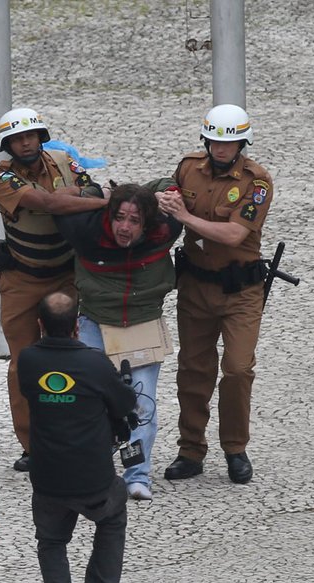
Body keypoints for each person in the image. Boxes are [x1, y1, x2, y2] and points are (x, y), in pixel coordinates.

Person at [156, 104, 274, 484]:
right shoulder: (189, 166)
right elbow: (170, 199)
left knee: (238, 369)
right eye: (215, 141)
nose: (220, 149)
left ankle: (235, 448)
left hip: (241, 291)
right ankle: (190, 449)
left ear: (242, 143)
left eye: (229, 142)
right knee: (193, 369)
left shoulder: (257, 182)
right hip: (195, 285)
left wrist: (185, 217)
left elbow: (235, 234)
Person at [0, 107, 107, 472]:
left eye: (30, 135)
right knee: (22, 362)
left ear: (41, 136)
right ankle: (32, 444)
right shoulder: (2, 175)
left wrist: (85, 193)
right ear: (7, 145)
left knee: (75, 357)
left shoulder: (61, 159)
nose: (25, 143)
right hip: (21, 280)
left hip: (65, 276)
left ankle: (77, 435)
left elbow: (92, 186)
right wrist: (106, 204)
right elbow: (51, 203)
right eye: (17, 139)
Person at [54, 182, 183, 500]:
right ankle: (90, 469)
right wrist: (96, 198)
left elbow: (173, 184)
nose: (125, 227)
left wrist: (165, 190)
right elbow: (58, 201)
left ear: (147, 223)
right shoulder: (84, 230)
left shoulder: (166, 228)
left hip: (143, 322)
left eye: (135, 220)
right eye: (120, 217)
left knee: (142, 403)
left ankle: (137, 475)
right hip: (95, 322)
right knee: (87, 401)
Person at [18, 293, 137, 583]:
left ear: (40, 324)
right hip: (93, 479)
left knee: (51, 540)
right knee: (113, 515)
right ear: (77, 327)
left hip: (47, 478)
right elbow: (125, 403)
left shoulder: (29, 360)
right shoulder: (94, 363)